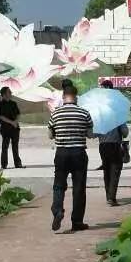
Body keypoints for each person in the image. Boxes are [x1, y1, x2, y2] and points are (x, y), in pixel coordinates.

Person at [48, 82, 93, 232]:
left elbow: (50, 135)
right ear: (76, 97)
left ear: (63, 96)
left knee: (59, 185)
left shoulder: (55, 113)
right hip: (79, 153)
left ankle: (58, 210)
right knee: (79, 188)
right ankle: (77, 221)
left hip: (61, 153)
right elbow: (90, 134)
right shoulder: (84, 113)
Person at [96, 79, 128, 207]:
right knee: (115, 170)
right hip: (115, 144)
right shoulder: (117, 110)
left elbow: (94, 132)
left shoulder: (98, 111)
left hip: (102, 145)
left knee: (107, 170)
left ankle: (108, 195)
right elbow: (125, 132)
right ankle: (111, 197)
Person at [0, 86, 22, 169]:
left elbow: (18, 114)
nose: (11, 93)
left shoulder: (13, 103)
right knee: (5, 147)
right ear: (4, 94)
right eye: (9, 92)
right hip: (5, 129)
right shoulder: (0, 104)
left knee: (15, 146)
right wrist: (12, 122)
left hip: (15, 128)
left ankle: (17, 163)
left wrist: (16, 122)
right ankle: (4, 164)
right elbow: (1, 116)